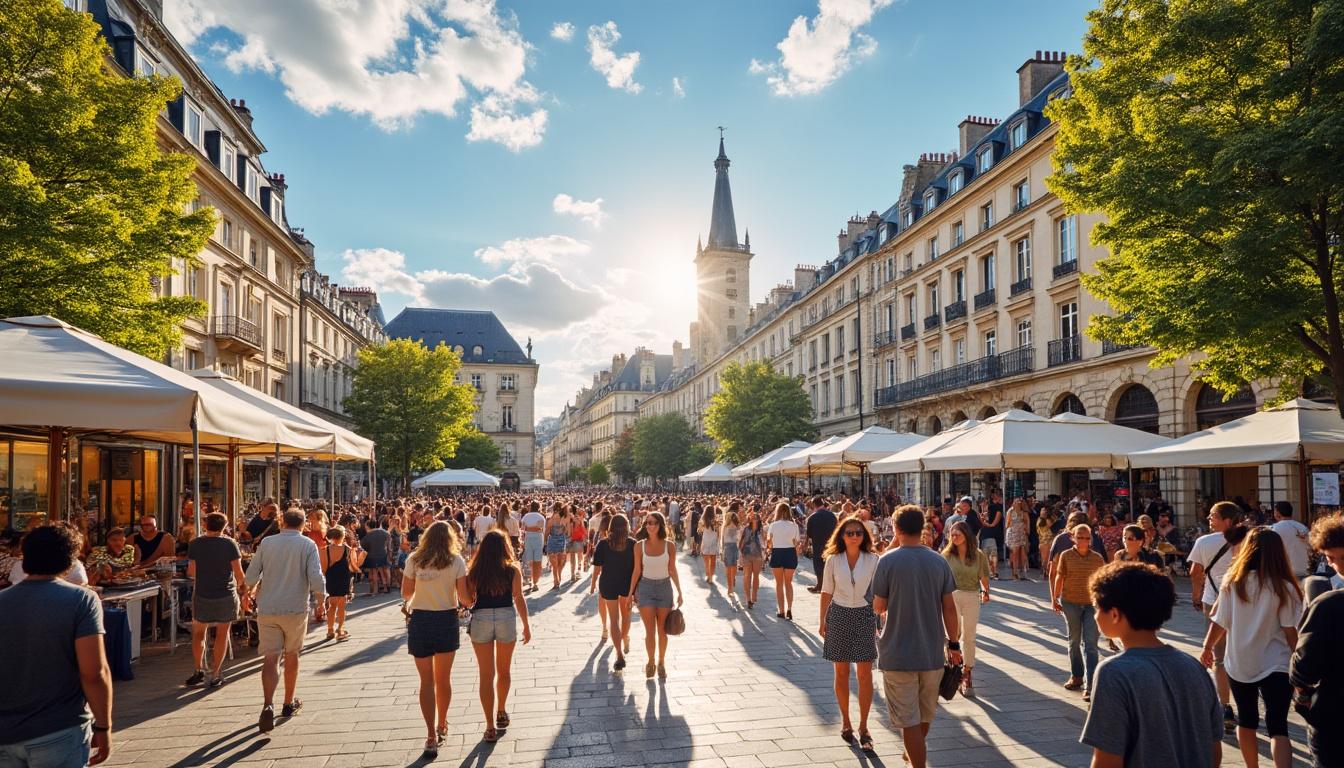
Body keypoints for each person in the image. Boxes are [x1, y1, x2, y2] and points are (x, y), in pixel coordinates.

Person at [1081, 562, 1223, 768]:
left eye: (1096, 608)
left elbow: (1106, 761)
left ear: (1114, 614)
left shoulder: (1114, 672)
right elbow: (1214, 751)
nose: (1094, 615)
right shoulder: (1195, 667)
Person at [0, 524, 113, 767]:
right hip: (59, 728)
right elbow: (94, 672)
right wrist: (103, 725)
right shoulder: (81, 599)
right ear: (69, 559)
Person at [1201, 527, 1302, 768]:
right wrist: (1301, 667)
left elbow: (1220, 622)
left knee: (1246, 722)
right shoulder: (1285, 587)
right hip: (1277, 663)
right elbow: (1291, 632)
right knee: (1279, 727)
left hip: (1240, 662)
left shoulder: (1233, 583)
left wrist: (1207, 647)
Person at [872, 505, 961, 768]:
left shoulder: (887, 561)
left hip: (897, 651)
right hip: (931, 651)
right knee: (923, 715)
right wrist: (954, 643)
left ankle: (916, 760)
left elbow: (879, 606)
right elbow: (949, 608)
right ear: (923, 528)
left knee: (907, 719)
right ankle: (914, 751)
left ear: (897, 530)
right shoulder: (938, 561)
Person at [242, 508, 326, 733]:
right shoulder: (307, 545)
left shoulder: (267, 543)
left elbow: (252, 573)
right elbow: (316, 576)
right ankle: (288, 702)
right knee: (292, 654)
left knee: (271, 658)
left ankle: (268, 702)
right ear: (303, 524)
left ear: (281, 522)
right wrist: (321, 600)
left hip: (268, 606)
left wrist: (246, 592)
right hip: (295, 608)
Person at [402, 521, 468, 757]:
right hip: (446, 620)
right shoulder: (456, 561)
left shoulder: (414, 560)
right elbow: (465, 598)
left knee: (426, 681)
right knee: (443, 679)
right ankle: (443, 722)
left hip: (420, 620)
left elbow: (405, 593)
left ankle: (430, 733)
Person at [462, 530, 531, 743]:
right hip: (505, 617)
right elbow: (519, 598)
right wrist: (527, 625)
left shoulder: (475, 571)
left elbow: (468, 599)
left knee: (486, 674)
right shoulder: (512, 569)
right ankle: (501, 710)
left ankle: (489, 726)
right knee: (504, 670)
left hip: (481, 618)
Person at [818, 515, 880, 752]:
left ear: (864, 536)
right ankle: (846, 721)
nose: (854, 536)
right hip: (840, 614)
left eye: (858, 533)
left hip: (864, 615)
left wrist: (880, 615)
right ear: (841, 536)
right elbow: (826, 591)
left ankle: (864, 726)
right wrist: (822, 619)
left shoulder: (873, 560)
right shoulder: (834, 560)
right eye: (850, 533)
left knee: (865, 674)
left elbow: (880, 591)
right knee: (841, 671)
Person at [1189, 500, 1249, 733]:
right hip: (1243, 602)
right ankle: (1246, 704)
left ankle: (1225, 706)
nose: (1209, 519)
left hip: (1213, 601)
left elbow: (1195, 572)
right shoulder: (1247, 541)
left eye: (1213, 516)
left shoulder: (1204, 541)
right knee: (1242, 652)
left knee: (1219, 656)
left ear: (1227, 520)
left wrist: (1195, 595)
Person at [1292, 513, 1344, 768]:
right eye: (1330, 558)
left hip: (1335, 716)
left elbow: (1304, 665)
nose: (1335, 565)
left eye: (1336, 558)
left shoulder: (1329, 605)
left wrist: (1302, 694)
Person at [185, 512, 246, 688]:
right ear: (225, 526)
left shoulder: (195, 543)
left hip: (202, 593)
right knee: (222, 634)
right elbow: (238, 573)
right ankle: (216, 673)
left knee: (198, 634)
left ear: (205, 525)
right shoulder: (229, 544)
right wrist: (242, 587)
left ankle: (198, 670)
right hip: (225, 593)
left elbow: (191, 572)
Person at [1052, 523, 1106, 700]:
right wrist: (1055, 597)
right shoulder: (1066, 555)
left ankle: (1090, 685)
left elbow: (1103, 579)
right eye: (1080, 537)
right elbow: (1060, 576)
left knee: (1090, 643)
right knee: (1074, 641)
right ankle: (1076, 676)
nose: (1083, 540)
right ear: (1072, 538)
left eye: (1087, 538)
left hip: (1092, 604)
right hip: (1070, 602)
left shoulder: (1097, 558)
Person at [628, 511, 683, 679]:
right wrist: (630, 593)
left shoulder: (670, 545)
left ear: (660, 525)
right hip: (645, 588)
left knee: (662, 631)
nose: (649, 526)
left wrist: (680, 591)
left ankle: (661, 662)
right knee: (649, 631)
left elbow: (672, 570)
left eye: (653, 523)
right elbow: (636, 570)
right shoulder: (639, 545)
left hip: (664, 587)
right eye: (648, 523)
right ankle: (650, 661)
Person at [942, 521, 990, 696]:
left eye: (957, 535)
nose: (954, 538)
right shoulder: (946, 555)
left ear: (966, 536)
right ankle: (952, 670)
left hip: (971, 595)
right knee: (953, 635)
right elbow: (940, 578)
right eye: (952, 535)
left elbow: (983, 575)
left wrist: (986, 591)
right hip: (951, 596)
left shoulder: (977, 555)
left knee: (969, 636)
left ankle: (967, 672)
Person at [591, 513, 636, 668]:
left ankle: (619, 653)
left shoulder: (603, 544)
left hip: (608, 583)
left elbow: (597, 568)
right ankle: (625, 638)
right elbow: (638, 568)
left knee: (614, 620)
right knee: (626, 616)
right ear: (627, 527)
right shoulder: (633, 544)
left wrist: (592, 585)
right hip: (627, 585)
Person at [320, 526, 363, 641]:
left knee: (332, 605)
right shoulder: (348, 549)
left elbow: (323, 569)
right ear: (343, 536)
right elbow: (353, 566)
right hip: (344, 578)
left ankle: (330, 630)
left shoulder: (325, 550)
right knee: (342, 606)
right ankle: (340, 629)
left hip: (331, 579)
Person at [766, 502, 802, 620]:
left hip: (777, 552)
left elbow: (769, 543)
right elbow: (796, 542)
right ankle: (789, 609)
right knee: (788, 583)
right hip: (790, 553)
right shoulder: (794, 525)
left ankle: (781, 610)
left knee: (779, 584)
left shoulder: (773, 525)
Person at [804, 496, 838, 595]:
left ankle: (820, 585)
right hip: (831, 544)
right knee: (831, 565)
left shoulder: (812, 517)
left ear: (814, 505)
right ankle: (831, 586)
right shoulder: (832, 515)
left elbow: (809, 534)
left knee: (818, 565)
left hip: (818, 544)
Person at [1270, 501, 1311, 580]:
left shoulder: (1275, 528)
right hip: (1304, 569)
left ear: (1277, 512)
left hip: (1284, 572)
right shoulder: (1303, 527)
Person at [739, 508, 766, 609]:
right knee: (747, 576)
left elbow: (764, 542)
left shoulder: (761, 530)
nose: (753, 518)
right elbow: (741, 542)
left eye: (755, 517)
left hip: (758, 555)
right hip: (746, 554)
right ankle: (748, 599)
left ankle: (754, 594)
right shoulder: (745, 529)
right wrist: (740, 555)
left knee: (756, 576)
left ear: (759, 520)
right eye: (751, 517)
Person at [360, 518, 391, 596]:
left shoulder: (368, 535)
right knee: (382, 571)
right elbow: (388, 536)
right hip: (383, 554)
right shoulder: (383, 532)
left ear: (368, 526)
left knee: (374, 572)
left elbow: (363, 546)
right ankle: (385, 587)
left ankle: (375, 590)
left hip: (373, 556)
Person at [520, 502, 546, 592]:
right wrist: (535, 528)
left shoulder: (526, 516)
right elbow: (541, 529)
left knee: (530, 561)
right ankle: (535, 582)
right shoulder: (541, 517)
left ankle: (531, 580)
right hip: (538, 538)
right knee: (537, 561)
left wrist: (529, 528)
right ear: (539, 507)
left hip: (528, 538)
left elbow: (522, 529)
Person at [978, 492, 1004, 579]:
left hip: (988, 534)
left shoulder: (990, 509)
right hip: (993, 534)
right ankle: (994, 572)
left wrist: (984, 522)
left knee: (988, 554)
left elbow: (989, 524)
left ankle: (991, 572)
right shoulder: (995, 508)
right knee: (993, 554)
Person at [1004, 497, 1030, 580]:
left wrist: (1026, 534)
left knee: (1022, 553)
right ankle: (1015, 571)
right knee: (1015, 553)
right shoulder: (1010, 512)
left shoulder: (1024, 513)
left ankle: (1022, 570)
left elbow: (1027, 524)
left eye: (1018, 502)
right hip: (1013, 534)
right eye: (1015, 502)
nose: (1017, 504)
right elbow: (1006, 525)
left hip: (1021, 534)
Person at [544, 504, 569, 591]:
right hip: (561, 541)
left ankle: (556, 582)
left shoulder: (550, 520)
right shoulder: (564, 519)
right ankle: (559, 578)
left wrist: (545, 542)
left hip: (552, 541)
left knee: (554, 565)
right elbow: (566, 531)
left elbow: (547, 532)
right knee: (559, 563)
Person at [721, 507, 741, 598]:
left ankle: (730, 587)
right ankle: (730, 587)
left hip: (730, 547)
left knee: (730, 569)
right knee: (731, 569)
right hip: (731, 547)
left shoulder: (731, 526)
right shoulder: (727, 527)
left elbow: (723, 539)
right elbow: (723, 539)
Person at [699, 506, 720, 583]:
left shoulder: (703, 520)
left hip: (705, 541)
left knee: (706, 562)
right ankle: (710, 577)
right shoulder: (715, 520)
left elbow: (700, 530)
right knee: (713, 561)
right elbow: (718, 531)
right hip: (713, 541)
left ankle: (708, 575)